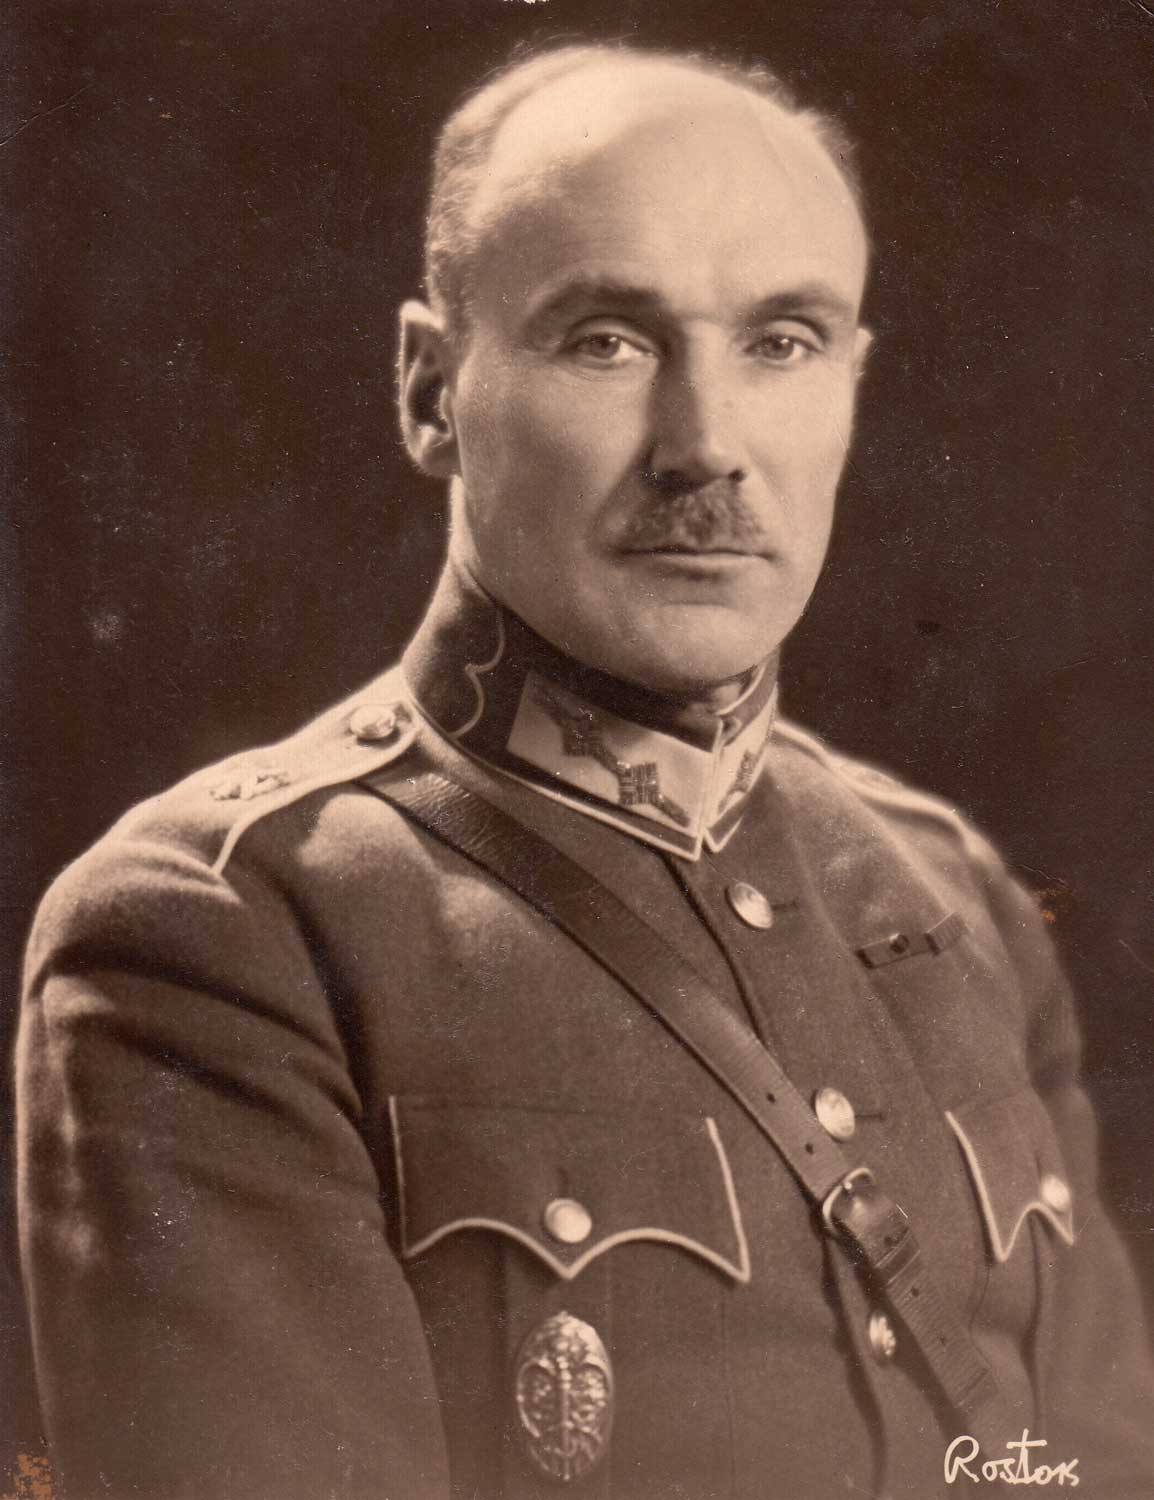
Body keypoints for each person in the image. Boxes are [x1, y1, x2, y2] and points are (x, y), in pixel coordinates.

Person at [16, 40, 1154, 1500]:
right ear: (431, 392)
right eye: (607, 340)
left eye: (783, 341)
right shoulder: (226, 934)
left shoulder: (953, 893)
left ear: (853, 385)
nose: (707, 447)